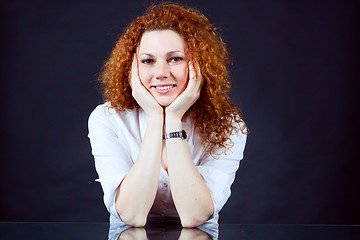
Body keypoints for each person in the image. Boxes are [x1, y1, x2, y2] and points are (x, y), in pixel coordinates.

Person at [88, 2, 248, 228]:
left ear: (199, 64)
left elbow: (195, 216)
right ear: (132, 68)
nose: (161, 73)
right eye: (148, 61)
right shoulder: (107, 119)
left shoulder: (228, 125)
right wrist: (155, 118)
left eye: (175, 59)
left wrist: (172, 119)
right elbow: (132, 216)